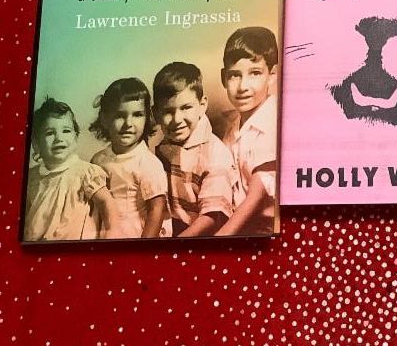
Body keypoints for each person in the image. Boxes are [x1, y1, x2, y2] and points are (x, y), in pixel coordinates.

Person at [153, 62, 234, 238]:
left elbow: (213, 216)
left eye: (186, 108)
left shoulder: (215, 155)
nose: (177, 119)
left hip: (199, 236)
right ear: (155, 114)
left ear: (202, 105)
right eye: (168, 111)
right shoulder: (164, 145)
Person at [24, 98, 118, 241]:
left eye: (66, 131)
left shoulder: (86, 172)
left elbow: (107, 203)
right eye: (49, 133)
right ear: (36, 144)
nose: (59, 138)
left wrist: (110, 234)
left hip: (75, 246)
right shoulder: (31, 177)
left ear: (76, 137)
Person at [215, 28, 278, 237]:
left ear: (272, 75)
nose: (242, 86)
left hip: (263, 231)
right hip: (239, 226)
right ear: (223, 78)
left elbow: (255, 198)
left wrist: (217, 240)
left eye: (255, 73)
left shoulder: (272, 124)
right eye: (234, 75)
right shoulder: (232, 124)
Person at [90, 78, 171, 238]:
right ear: (104, 119)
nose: (128, 123)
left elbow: (157, 209)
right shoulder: (98, 160)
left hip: (135, 236)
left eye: (137, 115)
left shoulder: (148, 163)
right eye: (120, 115)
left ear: (147, 118)